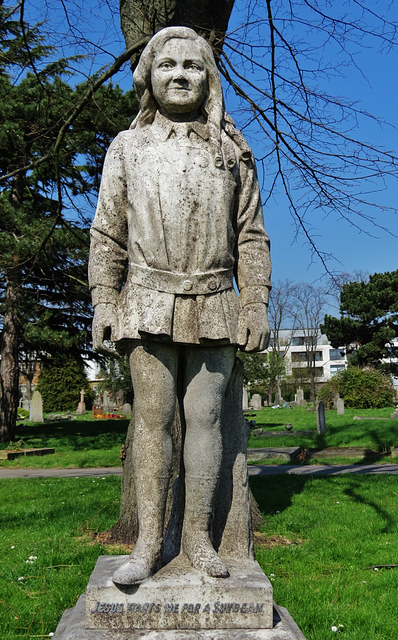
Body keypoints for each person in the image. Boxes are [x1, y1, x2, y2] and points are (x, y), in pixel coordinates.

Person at [88, 26, 271, 585]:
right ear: (149, 76)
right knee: (151, 418)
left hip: (215, 301)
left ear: (209, 77)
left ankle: (196, 538)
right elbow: (107, 234)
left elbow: (251, 237)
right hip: (145, 301)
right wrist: (103, 300)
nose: (181, 74)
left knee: (207, 420)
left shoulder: (232, 151)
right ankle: (146, 543)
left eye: (193, 65)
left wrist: (256, 302)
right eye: (167, 65)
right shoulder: (129, 148)